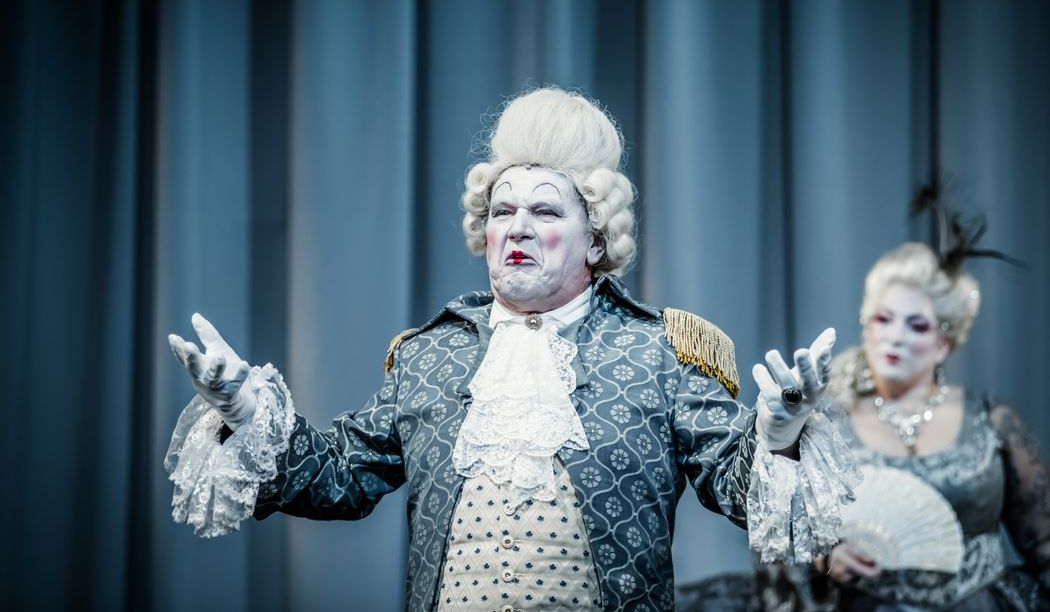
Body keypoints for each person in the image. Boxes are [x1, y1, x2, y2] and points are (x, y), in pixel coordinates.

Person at [164, 87, 857, 611]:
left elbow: (738, 490)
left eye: (546, 210)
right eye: (502, 210)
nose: (517, 226)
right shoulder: (429, 354)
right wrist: (245, 410)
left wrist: (779, 434)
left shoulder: (660, 350)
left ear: (595, 239)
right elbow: (339, 479)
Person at [680, 241, 1049, 611]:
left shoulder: (991, 419)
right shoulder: (829, 420)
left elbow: (1044, 543)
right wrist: (826, 559)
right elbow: (778, 531)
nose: (895, 336)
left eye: (917, 325)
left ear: (943, 343)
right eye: (883, 319)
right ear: (867, 325)